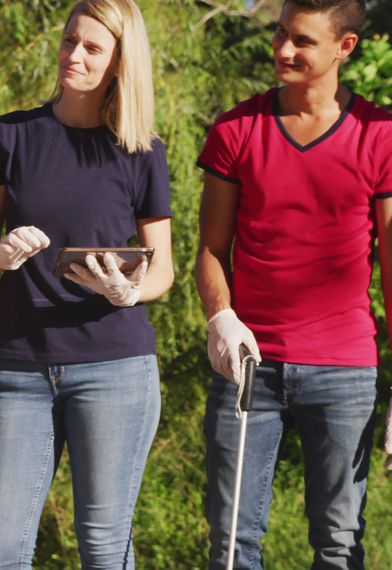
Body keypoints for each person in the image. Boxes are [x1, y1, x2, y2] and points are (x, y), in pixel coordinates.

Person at [0, 0, 174, 567]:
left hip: (115, 369)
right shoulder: (12, 134)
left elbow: (164, 270)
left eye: (91, 48)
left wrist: (129, 292)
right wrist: (3, 254)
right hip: (20, 366)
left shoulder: (142, 151)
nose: (73, 56)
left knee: (104, 548)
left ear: (119, 63)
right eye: (68, 41)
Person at [195, 0, 391, 567]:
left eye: (302, 40)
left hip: (345, 370)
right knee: (232, 544)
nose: (283, 49)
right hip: (249, 364)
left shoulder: (379, 137)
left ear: (344, 47)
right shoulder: (238, 128)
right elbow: (211, 249)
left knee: (338, 542)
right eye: (281, 34)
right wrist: (220, 317)